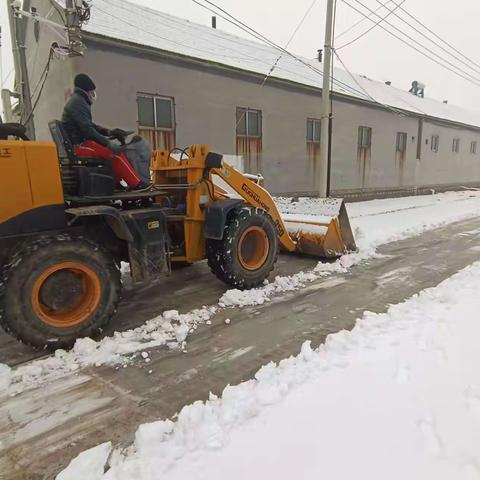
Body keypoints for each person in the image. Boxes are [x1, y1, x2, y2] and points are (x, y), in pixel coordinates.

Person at [62, 73, 149, 189]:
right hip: (79, 147)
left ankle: (117, 184)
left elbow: (91, 126)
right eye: (92, 92)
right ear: (87, 91)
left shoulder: (77, 101)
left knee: (112, 155)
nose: (93, 95)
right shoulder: (79, 103)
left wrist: (110, 132)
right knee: (115, 155)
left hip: (78, 144)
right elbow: (88, 130)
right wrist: (108, 144)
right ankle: (137, 184)